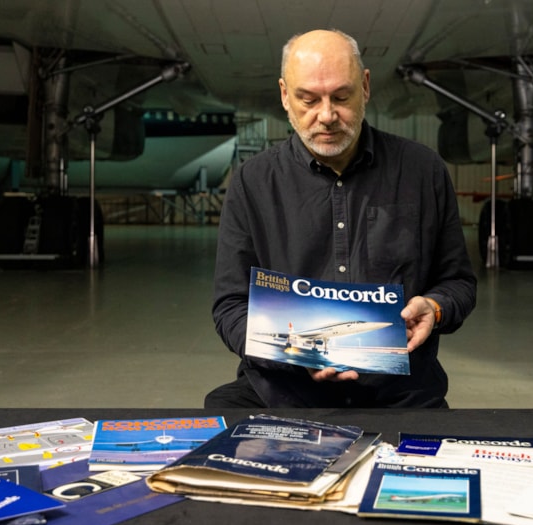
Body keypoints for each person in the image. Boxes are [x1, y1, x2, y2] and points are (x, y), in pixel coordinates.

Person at [204, 29, 476, 408]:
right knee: (222, 412)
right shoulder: (253, 182)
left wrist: (435, 307)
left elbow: (458, 282)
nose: (327, 115)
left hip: (400, 394)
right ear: (285, 95)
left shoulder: (422, 170)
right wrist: (290, 353)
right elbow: (231, 306)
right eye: (308, 99)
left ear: (365, 87)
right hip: (284, 390)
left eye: (342, 97)